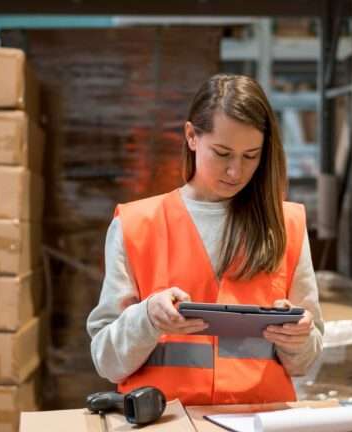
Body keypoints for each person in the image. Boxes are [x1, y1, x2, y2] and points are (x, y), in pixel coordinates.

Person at [86, 73, 323, 405]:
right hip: (166, 423)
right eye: (222, 153)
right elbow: (107, 362)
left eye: (251, 156)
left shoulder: (287, 225)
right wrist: (148, 318)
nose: (235, 172)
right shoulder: (136, 224)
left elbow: (305, 362)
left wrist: (297, 338)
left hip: (259, 422)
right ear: (191, 137)